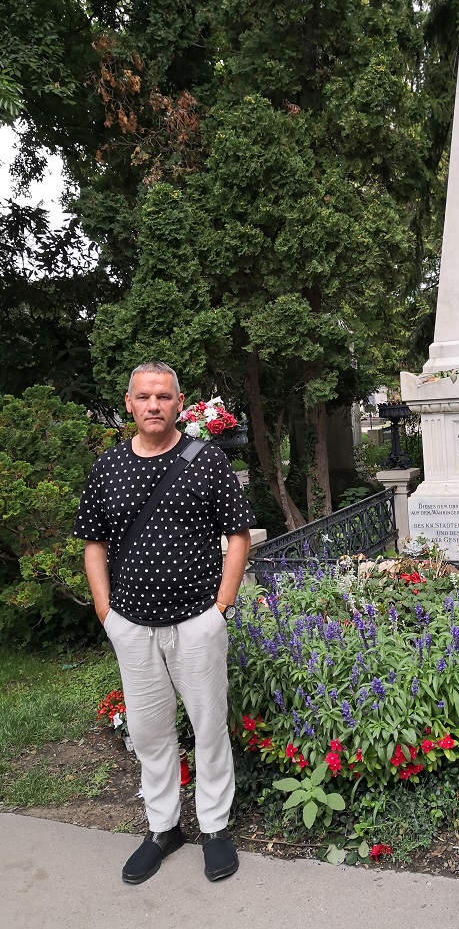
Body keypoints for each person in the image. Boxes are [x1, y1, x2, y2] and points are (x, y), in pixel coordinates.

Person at [73, 362, 254, 885]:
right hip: (131, 624)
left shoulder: (207, 460)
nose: (153, 405)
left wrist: (220, 608)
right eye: (144, 396)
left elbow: (238, 535)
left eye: (163, 396)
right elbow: (93, 543)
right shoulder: (107, 467)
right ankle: (163, 828)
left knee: (208, 726)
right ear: (128, 403)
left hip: (196, 621)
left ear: (179, 403)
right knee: (149, 731)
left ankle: (214, 828)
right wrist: (106, 612)